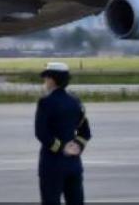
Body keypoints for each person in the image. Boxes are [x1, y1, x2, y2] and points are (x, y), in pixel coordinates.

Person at [35, 62, 91, 205]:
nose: (45, 81)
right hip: (74, 164)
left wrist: (61, 148)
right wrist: (77, 146)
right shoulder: (75, 101)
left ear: (52, 80)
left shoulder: (45, 102)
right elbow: (85, 131)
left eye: (46, 77)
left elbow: (41, 133)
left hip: (52, 164)